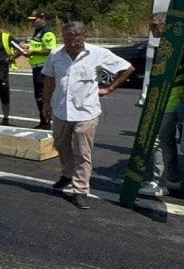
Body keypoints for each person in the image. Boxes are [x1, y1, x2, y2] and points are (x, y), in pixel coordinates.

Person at [42, 21, 136, 209]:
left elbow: (128, 68)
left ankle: (80, 190)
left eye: (76, 41)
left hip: (86, 111)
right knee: (60, 144)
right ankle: (67, 174)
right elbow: (49, 79)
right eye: (68, 41)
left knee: (82, 152)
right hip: (61, 109)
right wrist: (46, 103)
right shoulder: (55, 54)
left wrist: (109, 88)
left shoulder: (97, 54)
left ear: (85, 37)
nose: (72, 45)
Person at [140, 12, 184, 197]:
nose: (151, 29)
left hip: (172, 102)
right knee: (166, 142)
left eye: (154, 25)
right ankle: (172, 180)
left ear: (165, 25)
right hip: (167, 100)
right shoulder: (164, 46)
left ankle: (159, 182)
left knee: (159, 142)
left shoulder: (180, 46)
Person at [25, 10, 58, 130]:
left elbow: (50, 50)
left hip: (43, 67)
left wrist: (33, 51)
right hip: (37, 67)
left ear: (42, 18)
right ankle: (43, 121)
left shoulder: (47, 32)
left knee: (42, 96)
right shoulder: (37, 32)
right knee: (39, 96)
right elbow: (38, 46)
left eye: (34, 20)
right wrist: (28, 48)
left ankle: (46, 122)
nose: (32, 22)